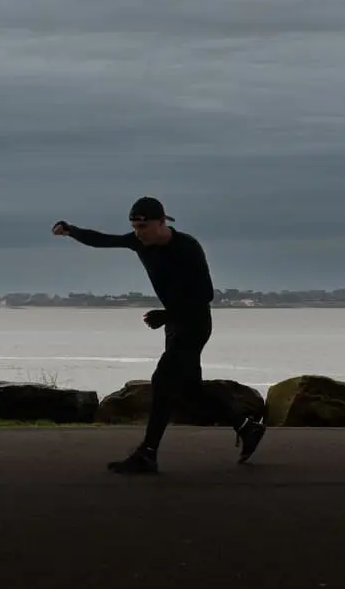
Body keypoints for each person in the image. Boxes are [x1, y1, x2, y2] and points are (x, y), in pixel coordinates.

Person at [53, 197, 267, 474]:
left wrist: (166, 315)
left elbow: (206, 294)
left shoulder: (187, 247)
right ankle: (247, 427)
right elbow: (103, 240)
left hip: (195, 324)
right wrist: (70, 230)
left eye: (144, 226)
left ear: (162, 222)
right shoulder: (139, 242)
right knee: (189, 389)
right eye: (135, 227)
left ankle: (148, 453)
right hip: (175, 324)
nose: (139, 232)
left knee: (163, 379)